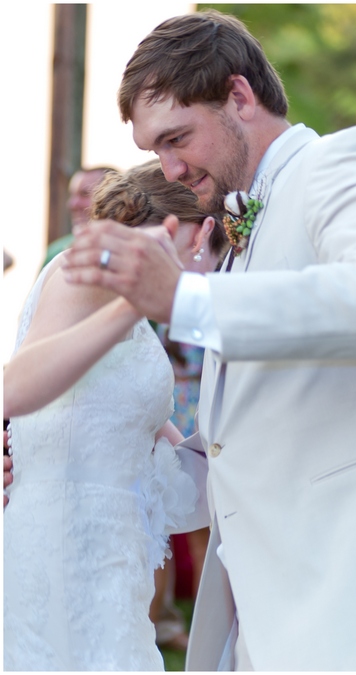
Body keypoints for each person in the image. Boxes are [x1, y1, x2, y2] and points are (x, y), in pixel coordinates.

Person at [61, 10, 356, 671]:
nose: (170, 168)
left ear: (240, 96)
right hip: (267, 634)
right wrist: (59, 455)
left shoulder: (348, 160)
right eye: (155, 150)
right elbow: (226, 471)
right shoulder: (236, 241)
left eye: (178, 137)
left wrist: (182, 297)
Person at [3, 161, 222, 670]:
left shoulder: (137, 317)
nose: (213, 270)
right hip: (65, 541)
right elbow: (14, 386)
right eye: (213, 251)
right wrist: (132, 301)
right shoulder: (87, 271)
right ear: (189, 232)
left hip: (115, 552)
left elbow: (178, 453)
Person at [43, 167, 116, 266]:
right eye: (72, 195)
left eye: (84, 194)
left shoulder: (132, 250)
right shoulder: (56, 251)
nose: (72, 204)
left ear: (113, 198)